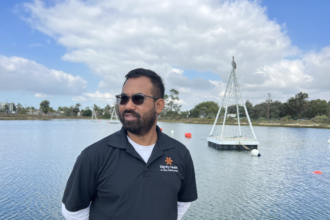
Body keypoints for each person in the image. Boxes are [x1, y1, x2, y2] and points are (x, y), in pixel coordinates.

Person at [62, 68, 198, 220]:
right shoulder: (93, 156)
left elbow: (183, 202)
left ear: (159, 105)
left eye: (138, 99)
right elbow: (73, 212)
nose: (128, 106)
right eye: (123, 98)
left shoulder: (180, 153)